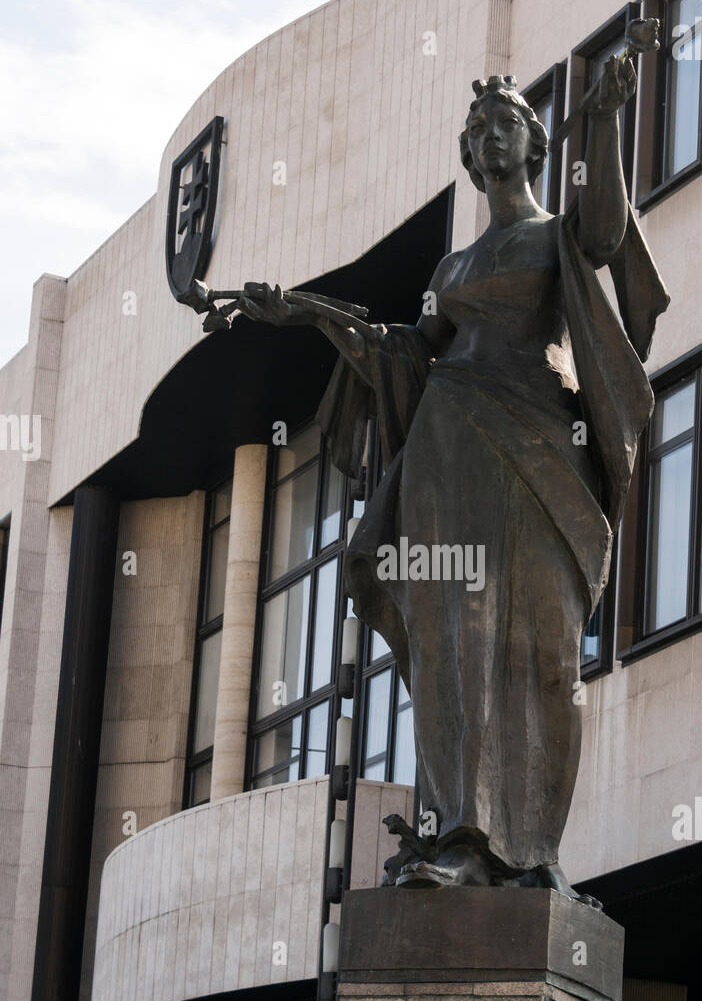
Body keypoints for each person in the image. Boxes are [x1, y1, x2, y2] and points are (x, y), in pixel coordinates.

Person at [236, 57, 669, 894]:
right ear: (470, 159)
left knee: (544, 651)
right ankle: (462, 838)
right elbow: (403, 355)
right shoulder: (451, 271)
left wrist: (607, 118)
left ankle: (530, 845)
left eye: (503, 121)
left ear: (533, 143)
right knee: (455, 643)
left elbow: (606, 236)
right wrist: (306, 314)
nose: (488, 134)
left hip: (542, 445)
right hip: (448, 449)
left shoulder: (552, 236)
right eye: (475, 130)